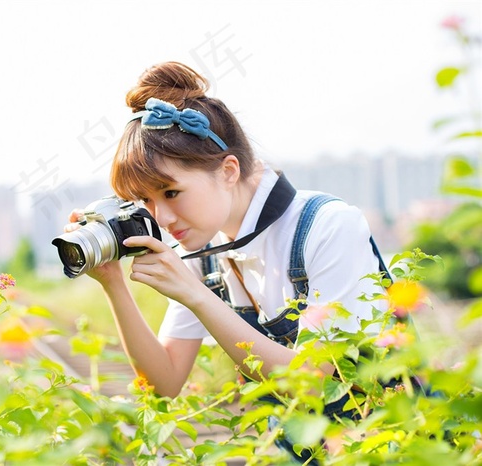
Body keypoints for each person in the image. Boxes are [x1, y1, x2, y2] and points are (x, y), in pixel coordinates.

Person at [64, 61, 388, 459]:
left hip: (384, 446)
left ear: (229, 171)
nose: (161, 218)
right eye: (145, 200)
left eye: (171, 193)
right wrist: (113, 281)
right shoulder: (205, 250)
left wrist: (198, 297)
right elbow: (163, 383)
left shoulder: (327, 226)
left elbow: (315, 382)